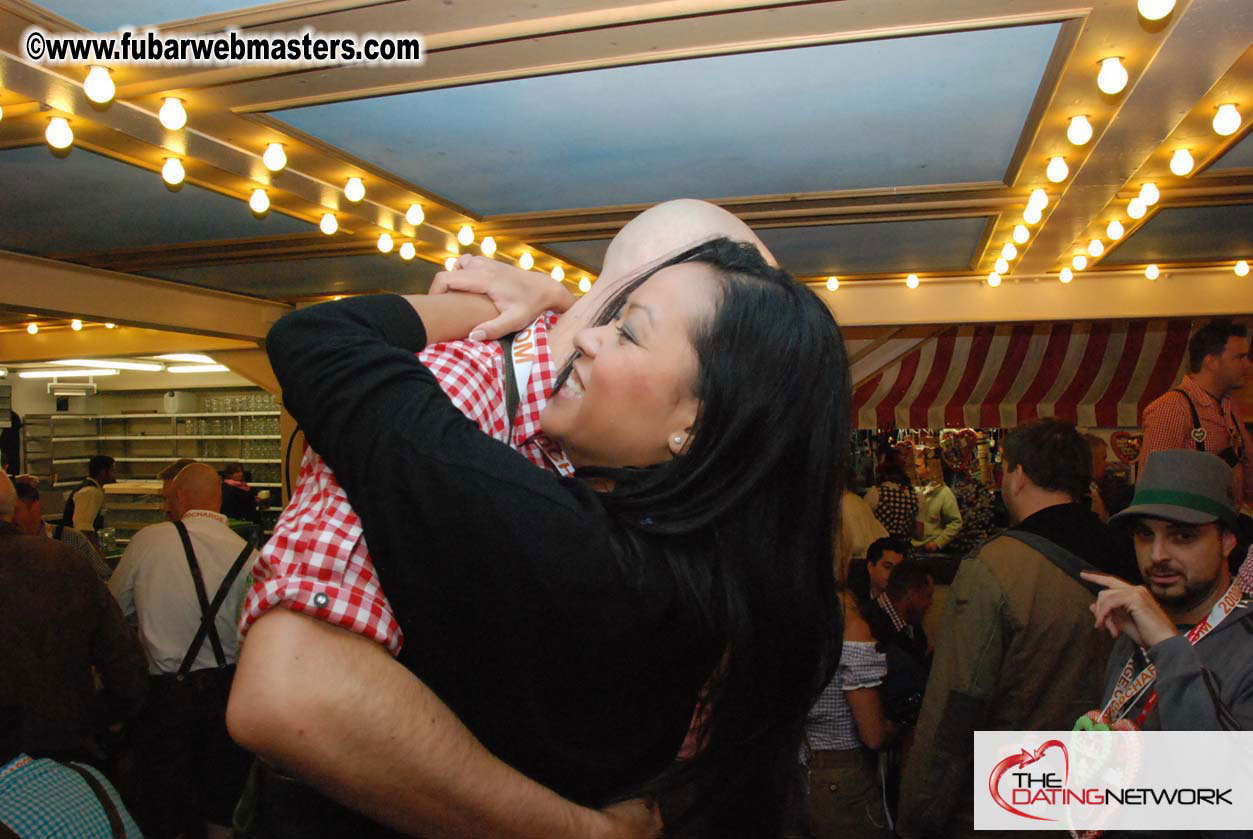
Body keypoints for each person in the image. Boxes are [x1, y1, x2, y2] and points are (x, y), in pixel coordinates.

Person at [229, 237, 849, 839]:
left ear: (694, 423)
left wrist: (506, 306)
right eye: (605, 312)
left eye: (626, 329)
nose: (585, 334)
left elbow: (317, 338)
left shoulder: (567, 544)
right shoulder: (713, 576)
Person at [897, 419, 1118, 839]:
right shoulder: (1128, 557)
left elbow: (956, 705)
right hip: (1100, 796)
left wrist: (918, 814)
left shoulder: (995, 569)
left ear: (1018, 476)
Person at [109, 463, 257, 839]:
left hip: (166, 699)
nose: (164, 508)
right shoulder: (250, 554)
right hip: (228, 696)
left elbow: (113, 610)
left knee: (164, 806)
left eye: (166, 499)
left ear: (180, 496)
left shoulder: (150, 540)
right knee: (221, 802)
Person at [1081, 449, 1252, 733]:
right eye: (1145, 534)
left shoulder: (1244, 644)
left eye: (1183, 536)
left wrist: (1167, 647)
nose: (1157, 554)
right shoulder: (1129, 631)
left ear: (1227, 541)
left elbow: (1224, 760)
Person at [0, 471, 147, 766]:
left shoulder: (65, 554)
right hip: (59, 745)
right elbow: (123, 661)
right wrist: (98, 719)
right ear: (13, 508)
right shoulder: (64, 560)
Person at [802, 598, 894, 839]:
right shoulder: (849, 627)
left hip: (799, 774)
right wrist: (892, 729)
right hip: (843, 773)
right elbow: (873, 736)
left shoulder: (788, 624)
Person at [1140, 319, 1252, 506]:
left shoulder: (1229, 406)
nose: (1248, 365)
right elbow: (1152, 488)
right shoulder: (1172, 408)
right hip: (1191, 521)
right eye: (1240, 357)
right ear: (1211, 362)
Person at [11, 479, 113, 581]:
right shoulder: (6, 549)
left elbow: (105, 578)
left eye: (14, 511)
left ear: (35, 508)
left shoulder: (72, 540)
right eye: (4, 513)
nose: (8, 519)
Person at [911, 450, 961, 553]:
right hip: (909, 548)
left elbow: (955, 522)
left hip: (930, 549)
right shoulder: (909, 491)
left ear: (929, 468)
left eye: (917, 466)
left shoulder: (943, 492)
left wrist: (938, 543)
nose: (914, 470)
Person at [61, 454, 115, 548]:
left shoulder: (91, 490)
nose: (114, 475)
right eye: (112, 471)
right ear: (103, 472)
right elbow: (84, 529)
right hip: (77, 548)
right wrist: (97, 553)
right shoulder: (91, 492)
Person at [864, 449, 916, 541]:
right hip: (904, 547)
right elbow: (919, 533)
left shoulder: (876, 493)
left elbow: (863, 523)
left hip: (880, 546)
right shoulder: (914, 495)